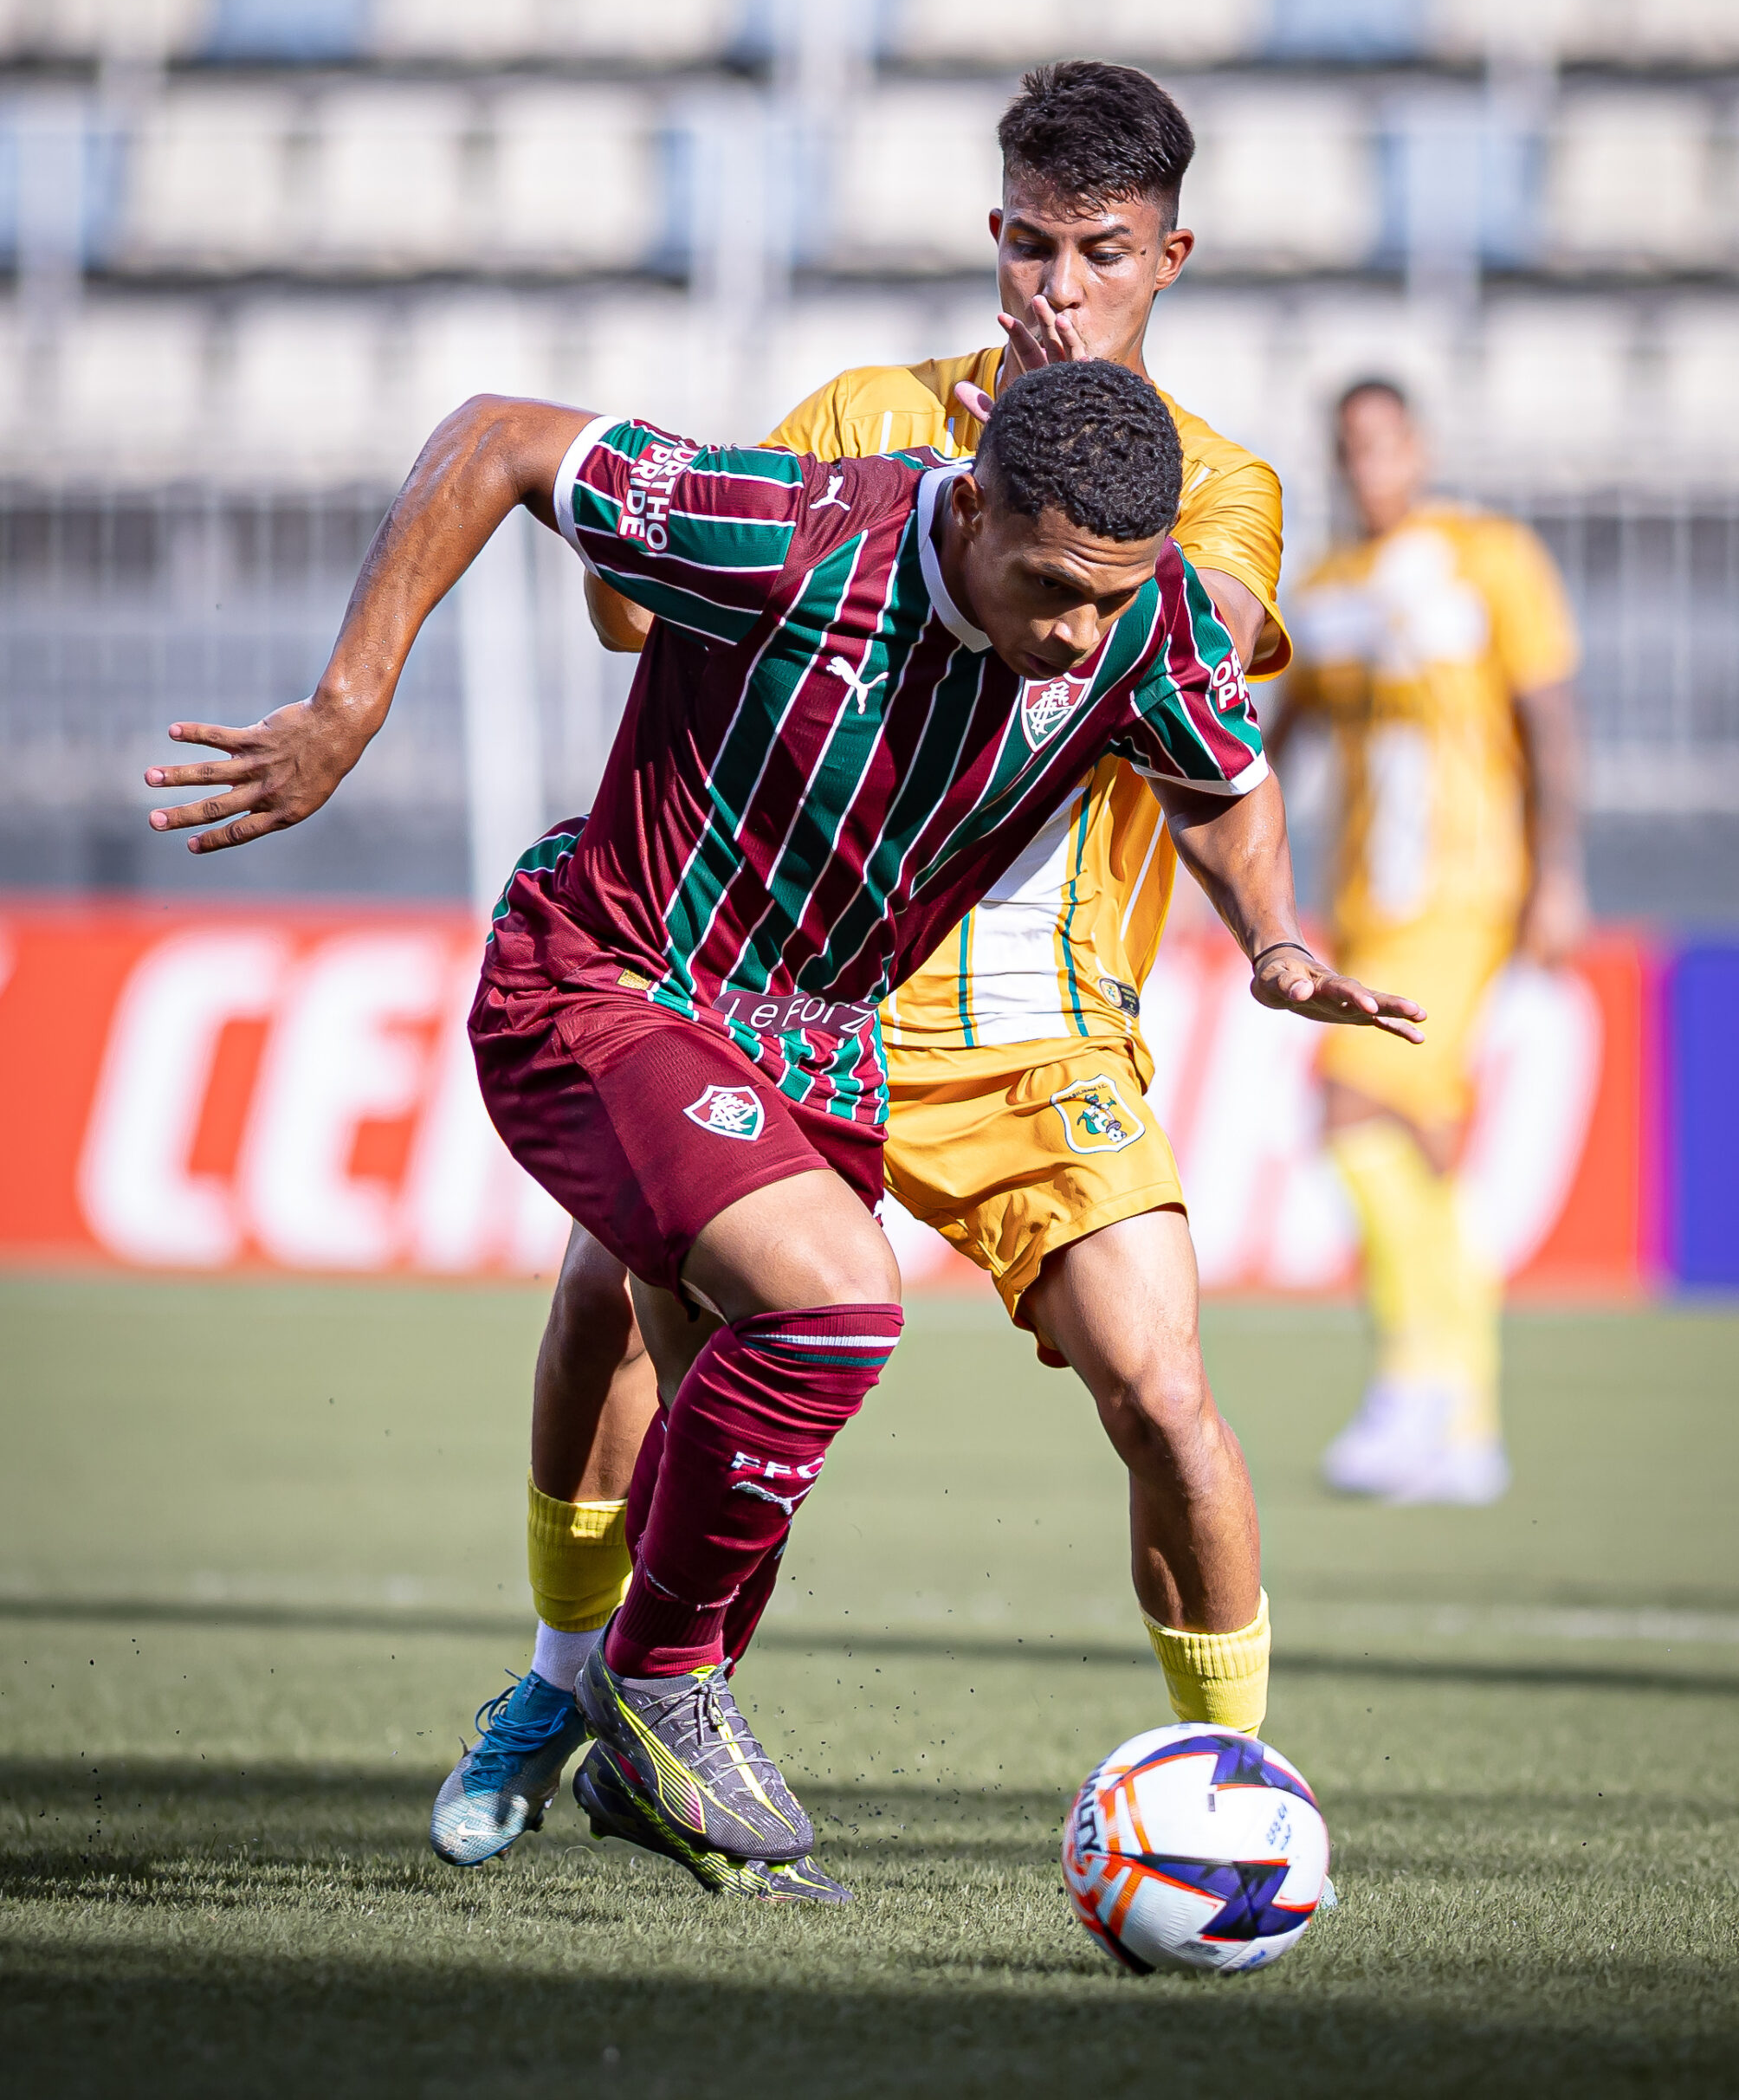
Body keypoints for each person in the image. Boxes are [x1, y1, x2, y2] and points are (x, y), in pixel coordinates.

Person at [145, 359, 1422, 1902]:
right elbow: (495, 440)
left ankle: (649, 1744)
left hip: (812, 1043)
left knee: (731, 1443)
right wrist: (352, 703)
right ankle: (642, 1682)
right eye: (1054, 588)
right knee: (831, 1303)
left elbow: (1217, 776)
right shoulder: (795, 535)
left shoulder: (1128, 620)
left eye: (1110, 599)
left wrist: (1275, 939)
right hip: (604, 984)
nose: (1081, 633)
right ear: (980, 507)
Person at [429, 61, 1306, 1885]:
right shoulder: (862, 417)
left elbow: (1184, 648)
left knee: (1160, 1387)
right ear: (994, 238)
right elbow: (666, 591)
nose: (1055, 291)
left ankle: (1230, 1788)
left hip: (1027, 1016)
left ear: (1168, 259)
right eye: (1030, 248)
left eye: (1101, 255)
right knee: (614, 1284)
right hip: (780, 974)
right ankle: (570, 1681)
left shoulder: (1204, 489)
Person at [1276, 378, 1587, 1505]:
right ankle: (1467, 1424)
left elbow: (1549, 718)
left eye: (1384, 444)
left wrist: (1558, 873)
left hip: (1465, 892)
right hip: (1369, 907)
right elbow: (1276, 738)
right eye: (1348, 448)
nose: (1368, 467)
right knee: (1426, 1150)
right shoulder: (1324, 592)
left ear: (1419, 447)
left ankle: (1412, 1387)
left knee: (1351, 1107)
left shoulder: (1487, 557)